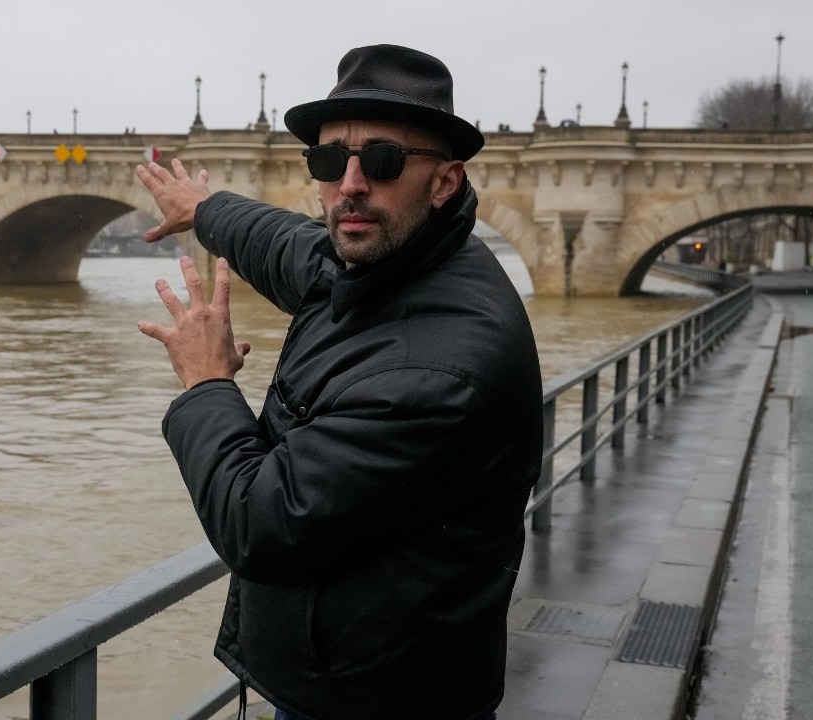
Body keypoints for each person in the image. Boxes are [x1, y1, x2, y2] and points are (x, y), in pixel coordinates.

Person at [134, 44, 543, 720]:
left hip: (380, 698)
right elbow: (289, 243)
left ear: (444, 182)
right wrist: (203, 209)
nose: (352, 183)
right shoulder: (388, 260)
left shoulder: (435, 370)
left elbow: (260, 523)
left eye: (382, 161)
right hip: (352, 666)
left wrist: (207, 384)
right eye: (329, 161)